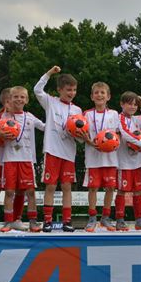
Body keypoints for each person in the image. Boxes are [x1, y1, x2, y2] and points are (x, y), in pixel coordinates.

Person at [34, 66, 82, 232]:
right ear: (59, 90)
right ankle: (47, 221)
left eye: (74, 90)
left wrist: (79, 134)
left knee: (67, 187)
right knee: (51, 186)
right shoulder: (51, 102)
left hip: (68, 153)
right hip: (53, 151)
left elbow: (80, 136)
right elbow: (37, 89)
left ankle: (67, 221)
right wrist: (49, 73)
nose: (72, 93)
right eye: (68, 90)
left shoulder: (77, 110)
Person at [0, 86, 45, 232]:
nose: (19, 99)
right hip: (9, 159)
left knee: (30, 192)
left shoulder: (30, 116)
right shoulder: (4, 118)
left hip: (27, 160)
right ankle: (8, 222)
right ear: (9, 100)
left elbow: (44, 127)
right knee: (9, 192)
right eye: (15, 96)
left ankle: (33, 222)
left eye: (22, 97)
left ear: (27, 100)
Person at [82, 82, 120, 232]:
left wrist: (111, 143)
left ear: (108, 96)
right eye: (96, 93)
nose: (99, 95)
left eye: (102, 93)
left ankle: (105, 217)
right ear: (92, 96)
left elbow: (118, 135)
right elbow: (82, 134)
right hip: (93, 157)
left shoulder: (114, 114)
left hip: (110, 158)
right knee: (93, 188)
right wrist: (89, 141)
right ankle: (92, 218)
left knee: (110, 187)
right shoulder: (87, 114)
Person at [115, 92, 141, 231]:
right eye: (129, 104)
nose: (132, 107)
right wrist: (140, 143)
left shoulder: (135, 119)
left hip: (137, 161)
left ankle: (139, 220)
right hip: (124, 161)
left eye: (135, 104)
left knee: (138, 190)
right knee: (122, 190)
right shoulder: (118, 118)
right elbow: (125, 133)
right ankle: (120, 220)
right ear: (122, 104)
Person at [0, 88, 26, 228]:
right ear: (6, 102)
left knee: (20, 189)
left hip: (18, 159)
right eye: (11, 100)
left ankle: (17, 219)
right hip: (0, 159)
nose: (15, 102)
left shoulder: (23, 116)